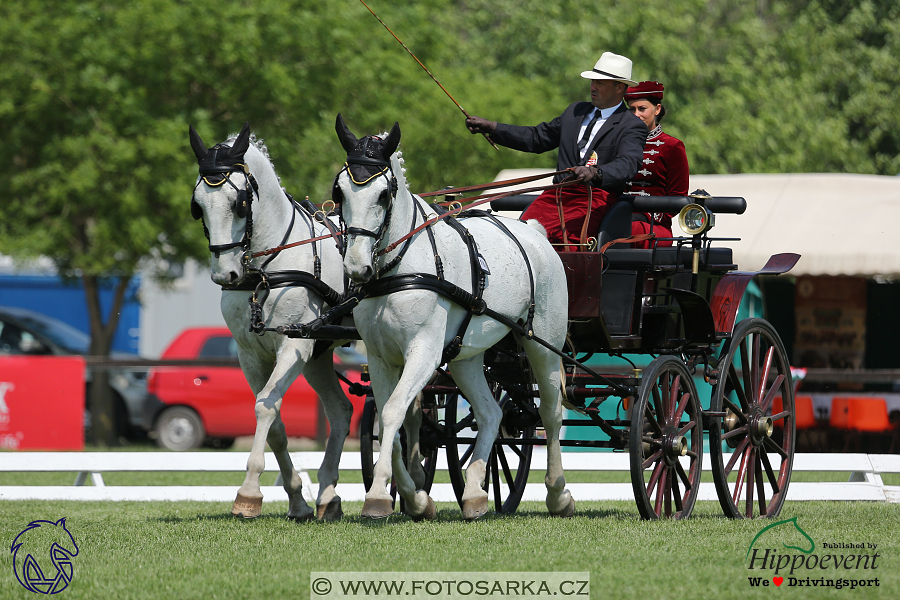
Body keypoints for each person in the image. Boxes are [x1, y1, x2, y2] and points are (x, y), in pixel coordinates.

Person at [465, 52, 646, 248]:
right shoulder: (575, 111)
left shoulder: (631, 125)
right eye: (592, 81)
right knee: (520, 235)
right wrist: (493, 128)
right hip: (557, 194)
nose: (593, 87)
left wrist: (596, 172)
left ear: (619, 87)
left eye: (600, 83)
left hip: (594, 198)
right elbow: (537, 138)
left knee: (566, 245)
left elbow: (628, 163)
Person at [623, 81, 689, 248]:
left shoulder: (672, 146)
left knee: (630, 229)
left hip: (654, 226)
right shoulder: (618, 143)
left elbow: (677, 197)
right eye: (631, 109)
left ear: (657, 109)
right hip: (618, 216)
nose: (636, 114)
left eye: (642, 109)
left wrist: (646, 216)